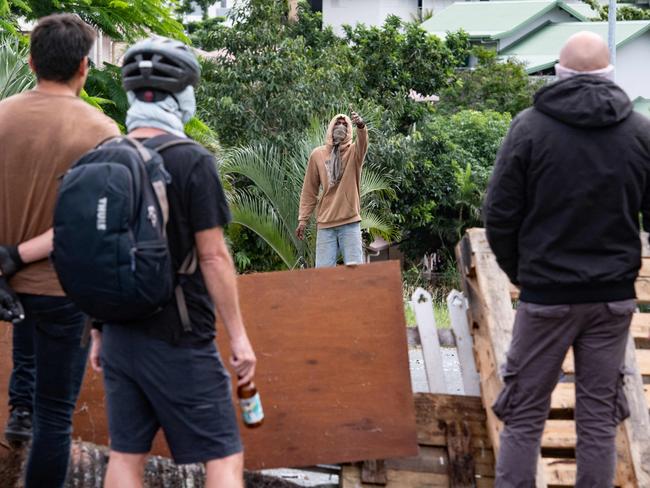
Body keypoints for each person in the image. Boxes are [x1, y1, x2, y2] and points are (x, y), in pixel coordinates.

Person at [88, 37, 256, 488]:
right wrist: (239, 337)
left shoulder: (105, 158)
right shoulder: (192, 161)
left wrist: (99, 332)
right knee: (223, 457)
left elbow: (100, 252)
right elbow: (213, 255)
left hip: (121, 335)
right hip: (180, 337)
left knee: (125, 458)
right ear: (182, 95)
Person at [484, 31, 650, 487]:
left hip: (545, 298)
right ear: (610, 74)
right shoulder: (640, 132)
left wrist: (523, 274)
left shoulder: (529, 128)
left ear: (558, 74)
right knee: (598, 422)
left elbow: (499, 215)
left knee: (523, 417)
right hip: (611, 300)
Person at [0, 13, 120, 487]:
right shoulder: (101, 132)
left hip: (5, 282)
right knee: (55, 420)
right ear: (84, 68)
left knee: (34, 397)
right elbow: (94, 227)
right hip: (59, 288)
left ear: (30, 61)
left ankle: (17, 411)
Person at [296, 111, 368, 267]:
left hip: (350, 223)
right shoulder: (318, 155)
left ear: (349, 130)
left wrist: (361, 126)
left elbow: (363, 143)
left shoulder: (354, 152)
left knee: (356, 275)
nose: (340, 126)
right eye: (337, 123)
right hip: (325, 225)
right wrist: (303, 219)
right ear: (330, 127)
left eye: (345, 124)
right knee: (324, 277)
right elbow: (310, 190)